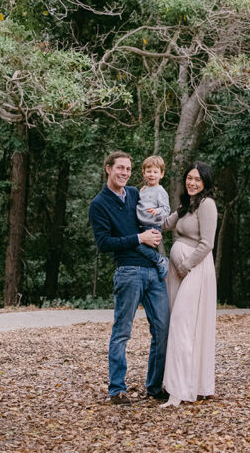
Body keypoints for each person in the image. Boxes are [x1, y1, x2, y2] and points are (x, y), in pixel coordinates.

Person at [89, 150, 170, 405]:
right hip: (128, 271)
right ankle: (117, 389)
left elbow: (151, 219)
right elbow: (104, 243)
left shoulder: (135, 194)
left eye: (127, 169)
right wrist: (139, 238)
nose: (124, 173)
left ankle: (155, 386)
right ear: (108, 168)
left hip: (153, 270)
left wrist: (152, 235)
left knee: (163, 330)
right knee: (122, 331)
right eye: (120, 168)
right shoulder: (99, 204)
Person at [161, 161, 218, 407]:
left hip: (195, 269)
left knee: (182, 325)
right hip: (178, 272)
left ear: (205, 182)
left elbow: (207, 244)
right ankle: (190, 384)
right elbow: (164, 224)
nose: (192, 182)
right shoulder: (186, 205)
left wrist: (185, 266)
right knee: (180, 324)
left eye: (197, 179)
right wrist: (146, 205)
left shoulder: (207, 205)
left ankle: (178, 391)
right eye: (189, 178)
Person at [136, 154, 171, 280]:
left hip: (152, 226)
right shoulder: (143, 190)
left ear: (161, 174)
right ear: (144, 173)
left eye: (155, 172)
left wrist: (157, 211)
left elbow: (166, 209)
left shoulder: (160, 191)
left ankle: (160, 260)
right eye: (149, 171)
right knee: (134, 245)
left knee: (137, 245)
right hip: (140, 225)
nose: (152, 174)